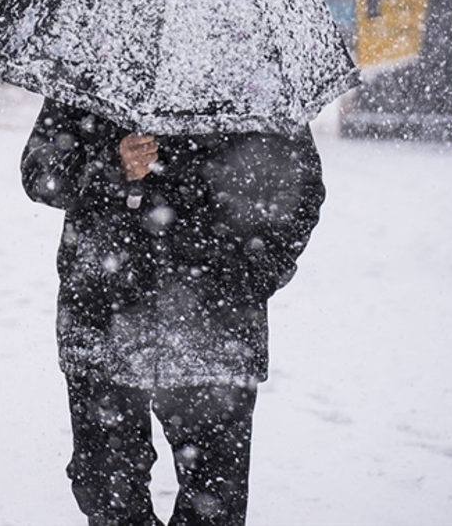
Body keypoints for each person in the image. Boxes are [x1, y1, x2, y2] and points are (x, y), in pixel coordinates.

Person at [21, 98, 326, 525]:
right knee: (109, 494)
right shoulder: (97, 66)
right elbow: (40, 172)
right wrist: (113, 163)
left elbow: (300, 190)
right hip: (105, 317)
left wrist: (249, 278)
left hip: (215, 328)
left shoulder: (252, 77)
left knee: (214, 501)